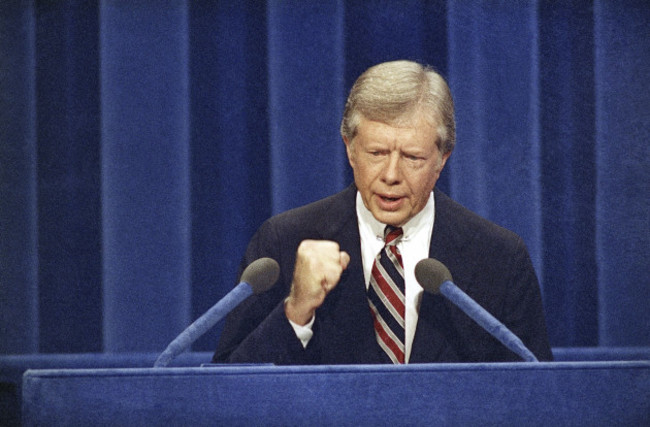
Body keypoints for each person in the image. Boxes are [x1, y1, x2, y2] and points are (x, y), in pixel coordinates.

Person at [213, 60, 552, 364]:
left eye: (412, 158)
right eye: (376, 153)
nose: (391, 175)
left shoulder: (499, 258)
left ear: (442, 158)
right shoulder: (284, 243)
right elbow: (228, 390)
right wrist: (296, 310)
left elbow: (537, 394)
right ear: (350, 150)